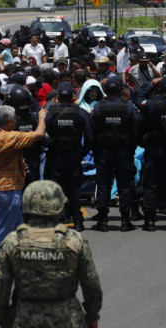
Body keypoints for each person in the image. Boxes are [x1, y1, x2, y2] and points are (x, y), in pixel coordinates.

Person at [0, 180, 103, 328]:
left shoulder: (13, 242)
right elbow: (91, 283)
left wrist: (3, 321)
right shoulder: (74, 240)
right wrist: (92, 315)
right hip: (67, 315)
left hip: (27, 316)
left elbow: (0, 287)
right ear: (58, 206)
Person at [0, 106, 48, 279]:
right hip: (8, 190)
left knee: (20, 230)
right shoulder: (9, 137)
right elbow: (39, 135)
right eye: (14, 118)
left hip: (0, 188)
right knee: (2, 231)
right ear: (10, 121)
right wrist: (41, 117)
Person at [90, 76, 138, 232]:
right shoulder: (129, 107)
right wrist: (130, 152)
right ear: (119, 90)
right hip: (123, 152)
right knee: (124, 185)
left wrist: (96, 151)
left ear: (104, 90)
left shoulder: (98, 107)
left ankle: (103, 221)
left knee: (103, 185)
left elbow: (93, 131)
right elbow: (134, 133)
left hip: (104, 152)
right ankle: (125, 221)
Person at [44, 83, 93, 232]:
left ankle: (59, 220)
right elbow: (90, 137)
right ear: (73, 96)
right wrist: (82, 153)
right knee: (74, 190)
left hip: (56, 157)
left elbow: (41, 134)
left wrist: (51, 145)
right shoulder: (81, 113)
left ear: (58, 96)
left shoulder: (50, 112)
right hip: (73, 156)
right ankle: (78, 221)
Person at [134, 76, 166, 231]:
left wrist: (150, 85)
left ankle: (150, 220)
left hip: (155, 150)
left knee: (153, 183)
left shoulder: (151, 104)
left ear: (159, 89)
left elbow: (138, 98)